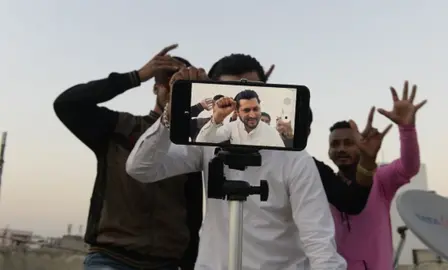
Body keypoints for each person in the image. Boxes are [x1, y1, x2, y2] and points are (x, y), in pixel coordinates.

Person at [126, 66, 347, 270]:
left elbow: (319, 240)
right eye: (231, 92)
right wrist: (169, 115)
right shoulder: (209, 142)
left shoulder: (292, 157)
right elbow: (141, 168)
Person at [54, 44, 203, 270]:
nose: (174, 90)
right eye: (168, 82)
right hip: (112, 257)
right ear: (156, 88)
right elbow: (67, 104)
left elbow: (193, 210)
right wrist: (136, 76)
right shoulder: (120, 128)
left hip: (168, 262)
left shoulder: (193, 143)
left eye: (182, 84)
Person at [328, 81, 426, 269]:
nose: (341, 149)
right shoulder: (325, 185)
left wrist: (407, 129)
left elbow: (409, 167)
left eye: (348, 143)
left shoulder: (380, 179)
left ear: (360, 144)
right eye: (335, 144)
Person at [196, 90, 285, 147]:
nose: (252, 115)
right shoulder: (231, 128)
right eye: (246, 110)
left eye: (256, 109)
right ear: (237, 112)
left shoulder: (272, 134)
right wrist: (218, 117)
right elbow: (202, 142)